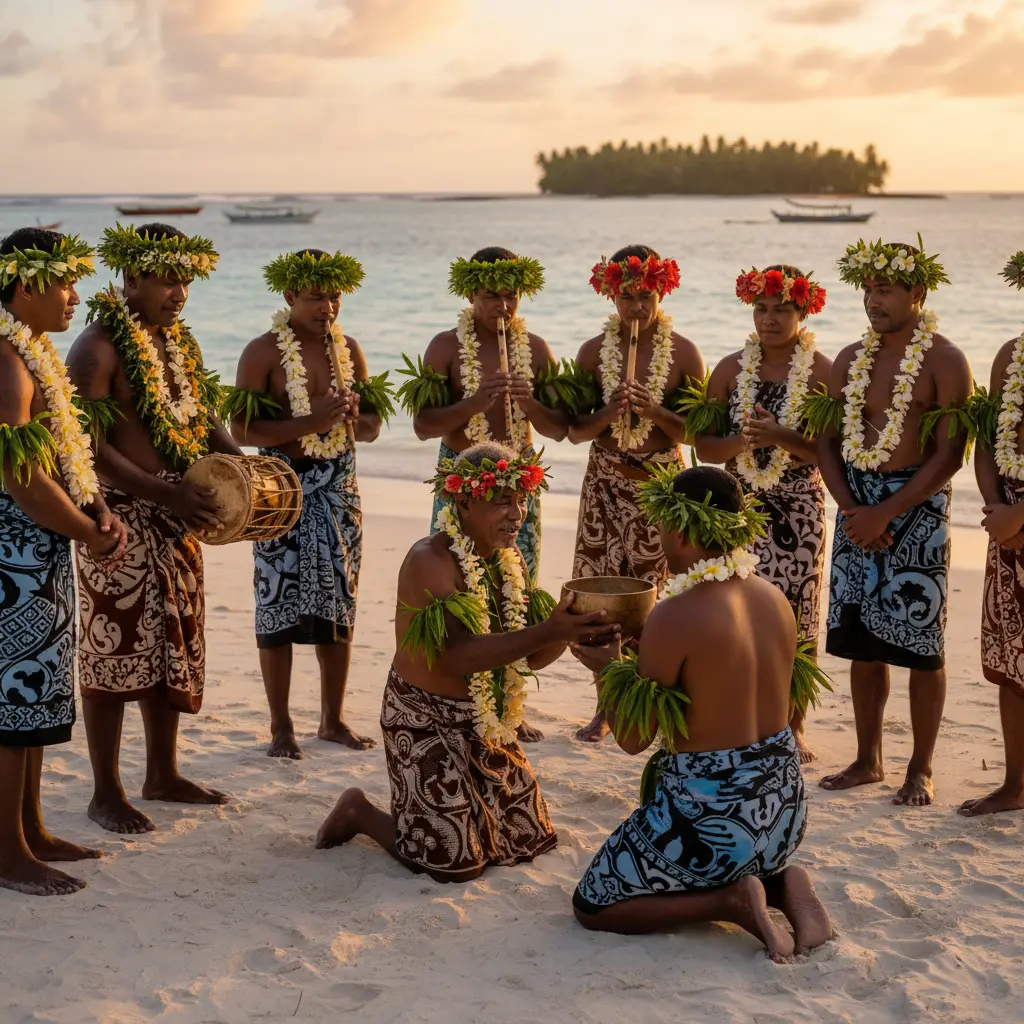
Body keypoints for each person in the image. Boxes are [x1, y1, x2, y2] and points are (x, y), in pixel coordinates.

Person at [314, 443, 618, 882]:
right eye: (502, 502)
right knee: (455, 864)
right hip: (422, 718)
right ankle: (359, 812)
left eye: (522, 500)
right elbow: (454, 656)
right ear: (463, 501)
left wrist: (571, 633)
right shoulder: (430, 561)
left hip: (481, 719)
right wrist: (550, 631)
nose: (518, 514)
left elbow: (528, 656)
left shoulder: (507, 560)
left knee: (528, 840)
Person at [569, 465, 831, 958]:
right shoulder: (775, 599)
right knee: (744, 850)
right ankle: (784, 885)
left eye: (663, 522)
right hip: (784, 817)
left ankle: (730, 901)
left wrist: (608, 669)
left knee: (593, 904)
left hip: (713, 825)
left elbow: (632, 738)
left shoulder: (675, 613)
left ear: (683, 529)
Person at [67, 222, 241, 835]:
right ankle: (105, 791)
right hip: (116, 514)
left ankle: (161, 773)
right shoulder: (96, 349)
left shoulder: (177, 343)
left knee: (170, 646)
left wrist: (242, 467)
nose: (180, 292)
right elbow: (83, 448)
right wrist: (161, 490)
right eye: (168, 280)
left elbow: (203, 416)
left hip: (176, 513)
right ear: (130, 277)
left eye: (186, 280)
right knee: (113, 652)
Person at [815, 238, 971, 806]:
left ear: (918, 292)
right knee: (864, 643)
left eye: (885, 290)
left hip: (918, 508)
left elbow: (952, 453)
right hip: (856, 505)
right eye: (868, 289)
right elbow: (826, 444)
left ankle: (921, 769)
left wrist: (889, 510)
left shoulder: (947, 360)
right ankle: (867, 759)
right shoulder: (849, 360)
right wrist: (856, 511)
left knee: (922, 642)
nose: (872, 300)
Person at [397, 246, 569, 742]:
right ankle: (455, 694)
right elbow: (424, 426)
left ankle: (508, 697)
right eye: (491, 295)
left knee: (516, 584)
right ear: (470, 293)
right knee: (459, 583)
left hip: (520, 484)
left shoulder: (535, 348)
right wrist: (476, 401)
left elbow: (558, 430)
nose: (502, 306)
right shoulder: (445, 347)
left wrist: (526, 401)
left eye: (511, 295)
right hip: (462, 481)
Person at [0, 228, 127, 894]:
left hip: (36, 549)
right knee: (8, 701)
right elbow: (21, 476)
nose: (76, 298)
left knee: (31, 696)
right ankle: (6, 850)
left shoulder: (34, 353)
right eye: (65, 284)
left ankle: (31, 828)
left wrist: (97, 508)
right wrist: (85, 528)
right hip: (9, 557)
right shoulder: (5, 361)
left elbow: (63, 452)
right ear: (25, 286)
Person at [227, 249, 391, 758]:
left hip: (341, 492)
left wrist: (351, 419)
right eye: (317, 296)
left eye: (335, 296)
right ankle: (281, 727)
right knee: (276, 605)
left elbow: (372, 430)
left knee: (339, 601)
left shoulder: (351, 350)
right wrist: (311, 422)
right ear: (289, 296)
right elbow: (242, 430)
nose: (328, 307)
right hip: (282, 492)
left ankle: (332, 720)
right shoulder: (261, 353)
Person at [693, 265, 832, 762]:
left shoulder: (823, 372)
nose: (769, 319)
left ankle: (793, 724)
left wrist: (781, 439)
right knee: (734, 609)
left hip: (799, 506)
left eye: (781, 310)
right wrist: (743, 441)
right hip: (739, 506)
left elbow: (832, 451)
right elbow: (704, 447)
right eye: (761, 309)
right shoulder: (731, 369)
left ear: (804, 309)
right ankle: (739, 712)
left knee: (798, 612)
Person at [568, 244, 704, 742]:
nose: (637, 308)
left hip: (658, 487)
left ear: (661, 291)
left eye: (646, 296)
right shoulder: (589, 354)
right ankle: (608, 703)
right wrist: (608, 415)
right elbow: (574, 432)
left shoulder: (684, 353)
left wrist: (655, 413)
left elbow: (696, 435)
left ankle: (656, 702)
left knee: (655, 595)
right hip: (603, 481)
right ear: (610, 294)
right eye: (627, 297)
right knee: (600, 593)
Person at [964, 248, 1024, 816]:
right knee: (1012, 660)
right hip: (1005, 519)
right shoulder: (1010, 355)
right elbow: (988, 440)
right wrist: (995, 508)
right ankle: (1016, 783)